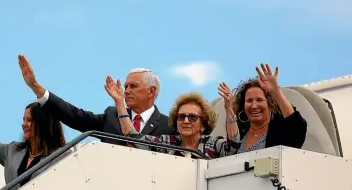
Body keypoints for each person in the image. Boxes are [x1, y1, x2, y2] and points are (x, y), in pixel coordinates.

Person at [18, 55, 173, 146]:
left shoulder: (169, 126)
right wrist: (35, 86)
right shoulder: (111, 116)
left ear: (151, 91)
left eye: (133, 86)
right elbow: (75, 116)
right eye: (126, 86)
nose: (126, 91)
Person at [104, 76, 240, 159]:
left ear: (203, 124)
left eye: (192, 117)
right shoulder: (168, 142)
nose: (186, 121)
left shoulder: (213, 144)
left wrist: (229, 110)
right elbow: (133, 137)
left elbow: (233, 147)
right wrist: (119, 103)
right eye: (181, 117)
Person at [230, 64, 307, 153]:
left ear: (270, 104)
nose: (254, 105)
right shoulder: (239, 133)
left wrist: (276, 92)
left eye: (259, 100)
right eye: (249, 101)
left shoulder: (279, 132)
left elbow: (297, 127)